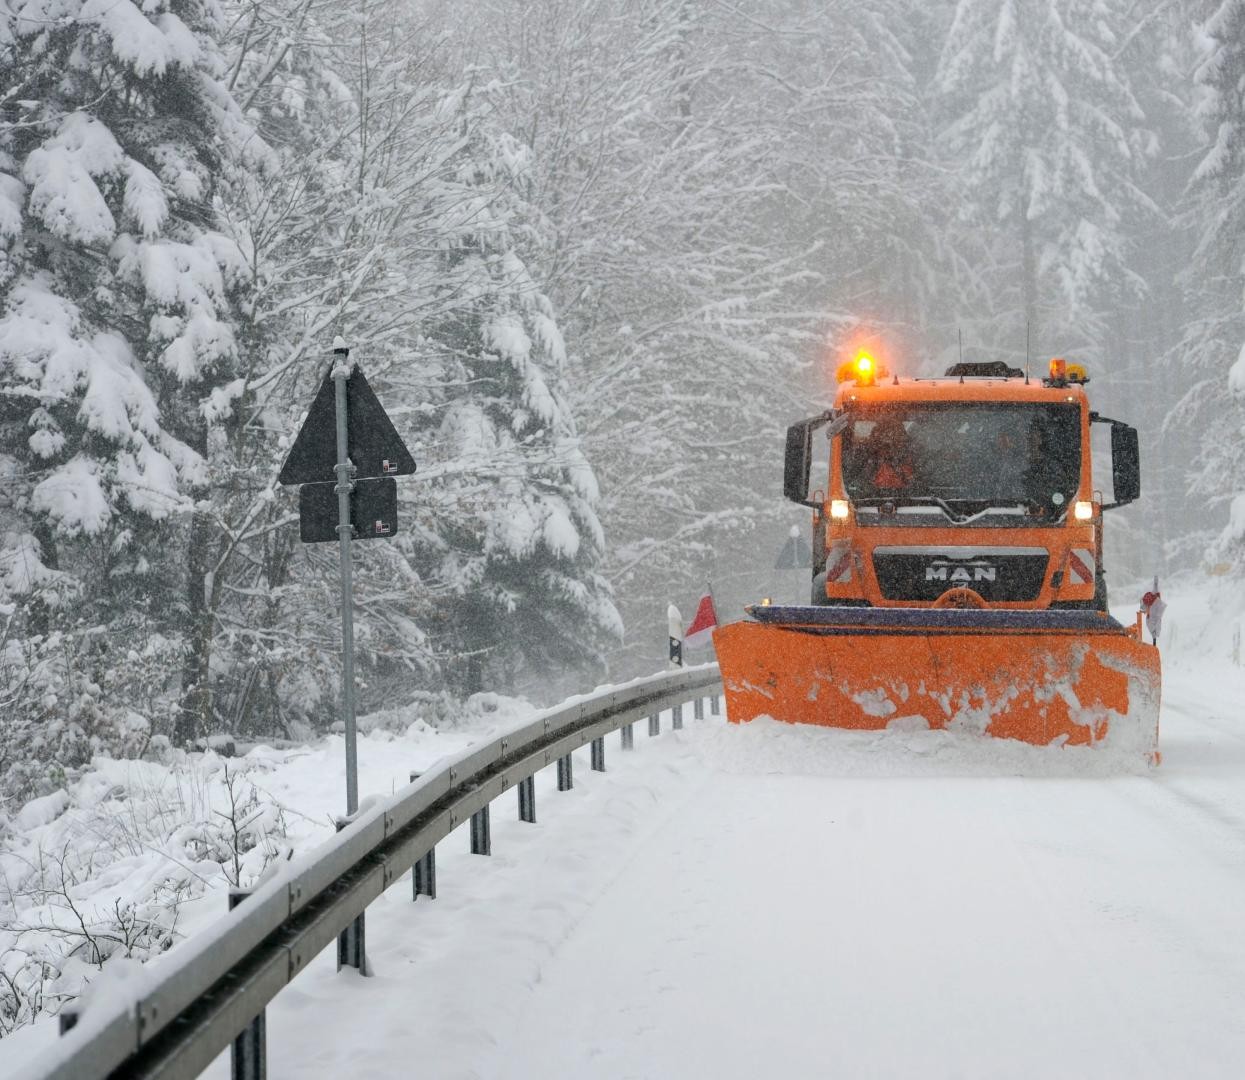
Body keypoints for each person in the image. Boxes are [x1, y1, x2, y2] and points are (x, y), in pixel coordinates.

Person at [867, 415, 916, 491]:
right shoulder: (866, 461)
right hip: (871, 496)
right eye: (885, 437)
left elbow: (917, 486)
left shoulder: (914, 460)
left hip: (909, 497)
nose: (889, 441)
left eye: (897, 436)